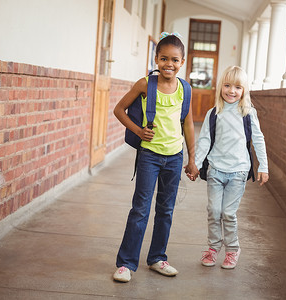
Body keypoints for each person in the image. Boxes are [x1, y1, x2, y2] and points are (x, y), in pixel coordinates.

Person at [112, 32, 199, 283]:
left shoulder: (185, 89)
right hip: (150, 155)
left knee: (166, 210)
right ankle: (126, 263)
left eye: (174, 60)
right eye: (163, 59)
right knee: (140, 209)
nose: (168, 64)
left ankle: (157, 258)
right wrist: (138, 130)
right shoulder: (145, 84)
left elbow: (189, 124)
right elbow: (119, 109)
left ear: (182, 62)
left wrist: (191, 159)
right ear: (156, 59)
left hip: (174, 157)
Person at [195, 66, 269, 269]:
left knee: (228, 213)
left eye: (238, 87)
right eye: (227, 85)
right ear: (220, 87)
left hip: (238, 171)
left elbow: (258, 140)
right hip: (216, 170)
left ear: (244, 90)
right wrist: (195, 164)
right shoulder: (214, 113)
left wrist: (263, 165)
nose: (231, 91)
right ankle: (213, 248)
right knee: (213, 210)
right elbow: (204, 140)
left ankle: (232, 250)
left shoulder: (248, 113)